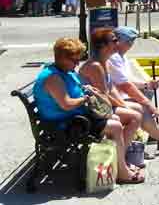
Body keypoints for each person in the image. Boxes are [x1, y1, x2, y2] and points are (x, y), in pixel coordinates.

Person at [34, 37, 144, 184]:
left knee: (116, 120)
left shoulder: (64, 71)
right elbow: (66, 104)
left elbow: (75, 91)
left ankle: (117, 165)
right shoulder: (53, 77)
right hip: (65, 123)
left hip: (75, 117)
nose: (77, 63)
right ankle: (122, 173)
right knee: (116, 126)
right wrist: (85, 98)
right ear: (62, 58)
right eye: (74, 60)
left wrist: (87, 89)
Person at [109, 27, 159, 155]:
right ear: (117, 41)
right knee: (142, 107)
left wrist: (147, 85)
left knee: (147, 94)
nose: (131, 45)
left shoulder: (122, 57)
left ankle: (153, 131)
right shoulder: (113, 58)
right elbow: (125, 85)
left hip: (120, 96)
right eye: (128, 41)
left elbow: (128, 80)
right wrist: (148, 102)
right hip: (116, 98)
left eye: (132, 42)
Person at [79, 29, 144, 175]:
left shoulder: (105, 62)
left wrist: (123, 104)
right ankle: (120, 166)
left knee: (136, 109)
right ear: (103, 45)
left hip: (101, 106)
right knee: (135, 117)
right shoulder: (95, 66)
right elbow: (104, 95)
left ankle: (120, 158)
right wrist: (123, 106)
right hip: (93, 110)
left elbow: (110, 89)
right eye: (114, 41)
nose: (118, 43)